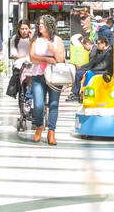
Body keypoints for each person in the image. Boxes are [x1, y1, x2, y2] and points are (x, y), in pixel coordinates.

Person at [26, 15, 64, 145]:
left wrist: (53, 50)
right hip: (38, 76)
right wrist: (46, 59)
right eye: (39, 23)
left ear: (49, 25)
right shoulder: (36, 39)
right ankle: (39, 126)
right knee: (38, 105)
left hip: (55, 78)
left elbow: (60, 59)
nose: (39, 26)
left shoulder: (57, 40)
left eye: (42, 24)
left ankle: (51, 132)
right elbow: (32, 58)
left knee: (53, 105)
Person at [68, 14, 93, 101]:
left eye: (84, 46)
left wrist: (82, 67)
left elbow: (92, 63)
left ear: (87, 44)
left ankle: (75, 93)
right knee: (78, 72)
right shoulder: (93, 49)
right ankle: (75, 93)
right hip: (91, 68)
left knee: (79, 73)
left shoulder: (94, 50)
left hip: (94, 69)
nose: (84, 49)